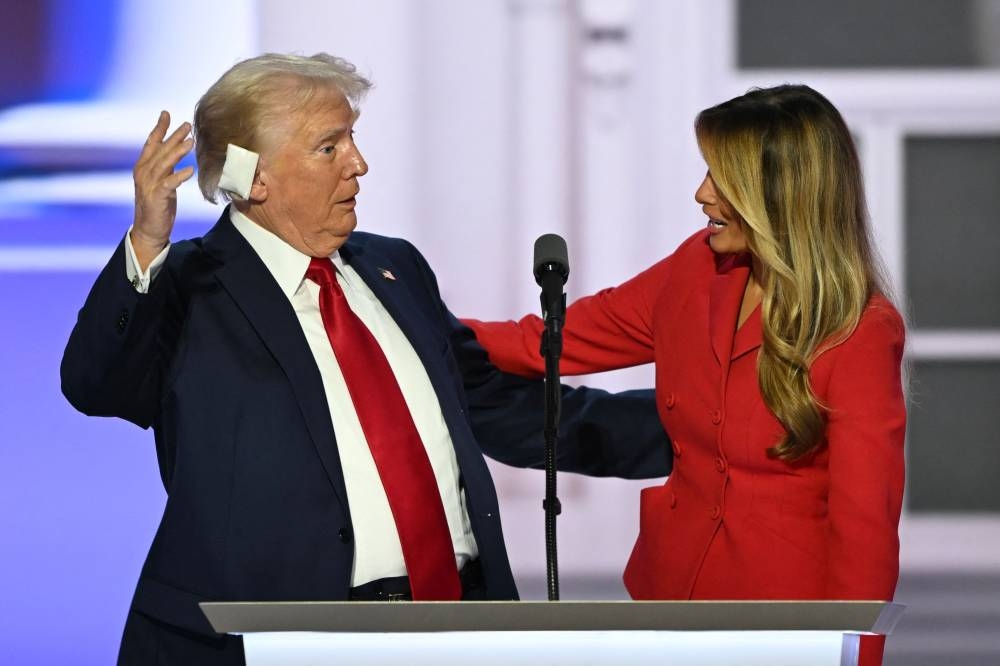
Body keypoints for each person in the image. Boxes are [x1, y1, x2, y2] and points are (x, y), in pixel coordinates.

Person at [61, 53, 669, 665]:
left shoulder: (394, 268)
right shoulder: (191, 283)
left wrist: (701, 428)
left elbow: (500, 407)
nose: (359, 163)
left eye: (352, 138)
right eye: (330, 146)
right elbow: (98, 385)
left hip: (453, 624)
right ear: (254, 177)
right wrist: (147, 244)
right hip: (276, 640)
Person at [465, 84, 906, 602]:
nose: (703, 194)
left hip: (782, 618)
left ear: (781, 193)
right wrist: (408, 326)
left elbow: (864, 530)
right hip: (669, 593)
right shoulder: (698, 267)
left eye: (722, 178)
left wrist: (850, 649)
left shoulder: (860, 330)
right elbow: (547, 342)